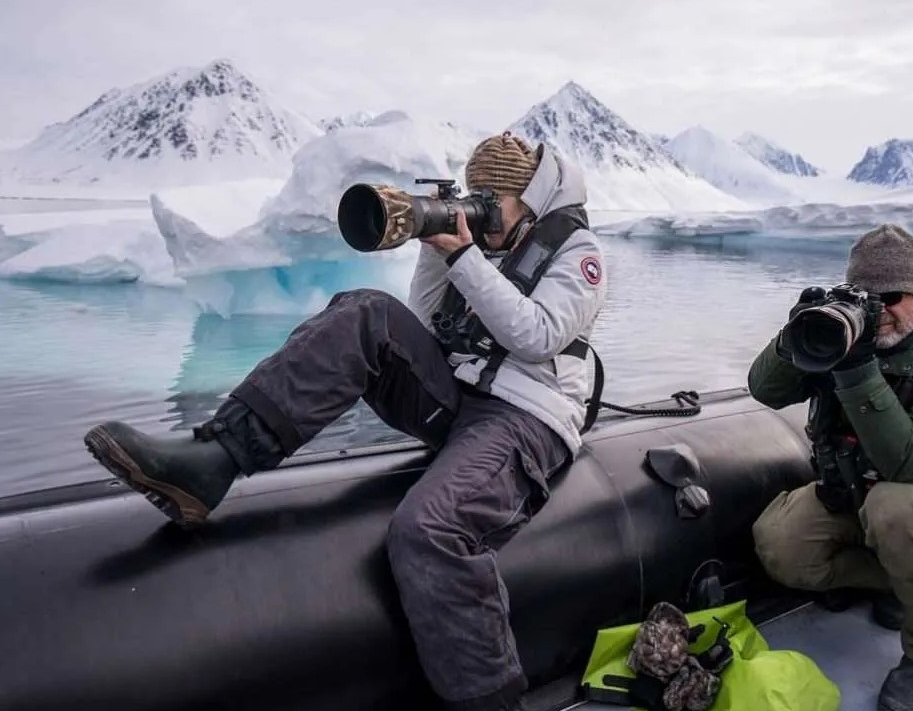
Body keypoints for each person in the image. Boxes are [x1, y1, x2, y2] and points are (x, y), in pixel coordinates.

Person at [83, 131, 608, 711]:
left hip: (525, 417)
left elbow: (537, 336)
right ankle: (214, 459)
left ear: (530, 201)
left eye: (493, 202)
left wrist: (466, 257)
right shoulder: (485, 245)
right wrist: (436, 250)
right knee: (365, 313)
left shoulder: (577, 252)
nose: (481, 212)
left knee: (429, 531)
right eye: (474, 197)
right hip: (460, 396)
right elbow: (429, 322)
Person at [746, 224, 913, 711]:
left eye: (894, 297)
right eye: (869, 297)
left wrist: (857, 369)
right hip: (860, 490)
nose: (879, 312)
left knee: (897, 507)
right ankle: (902, 580)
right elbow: (765, 391)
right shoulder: (853, 333)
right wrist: (796, 336)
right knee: (781, 545)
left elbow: (912, 462)